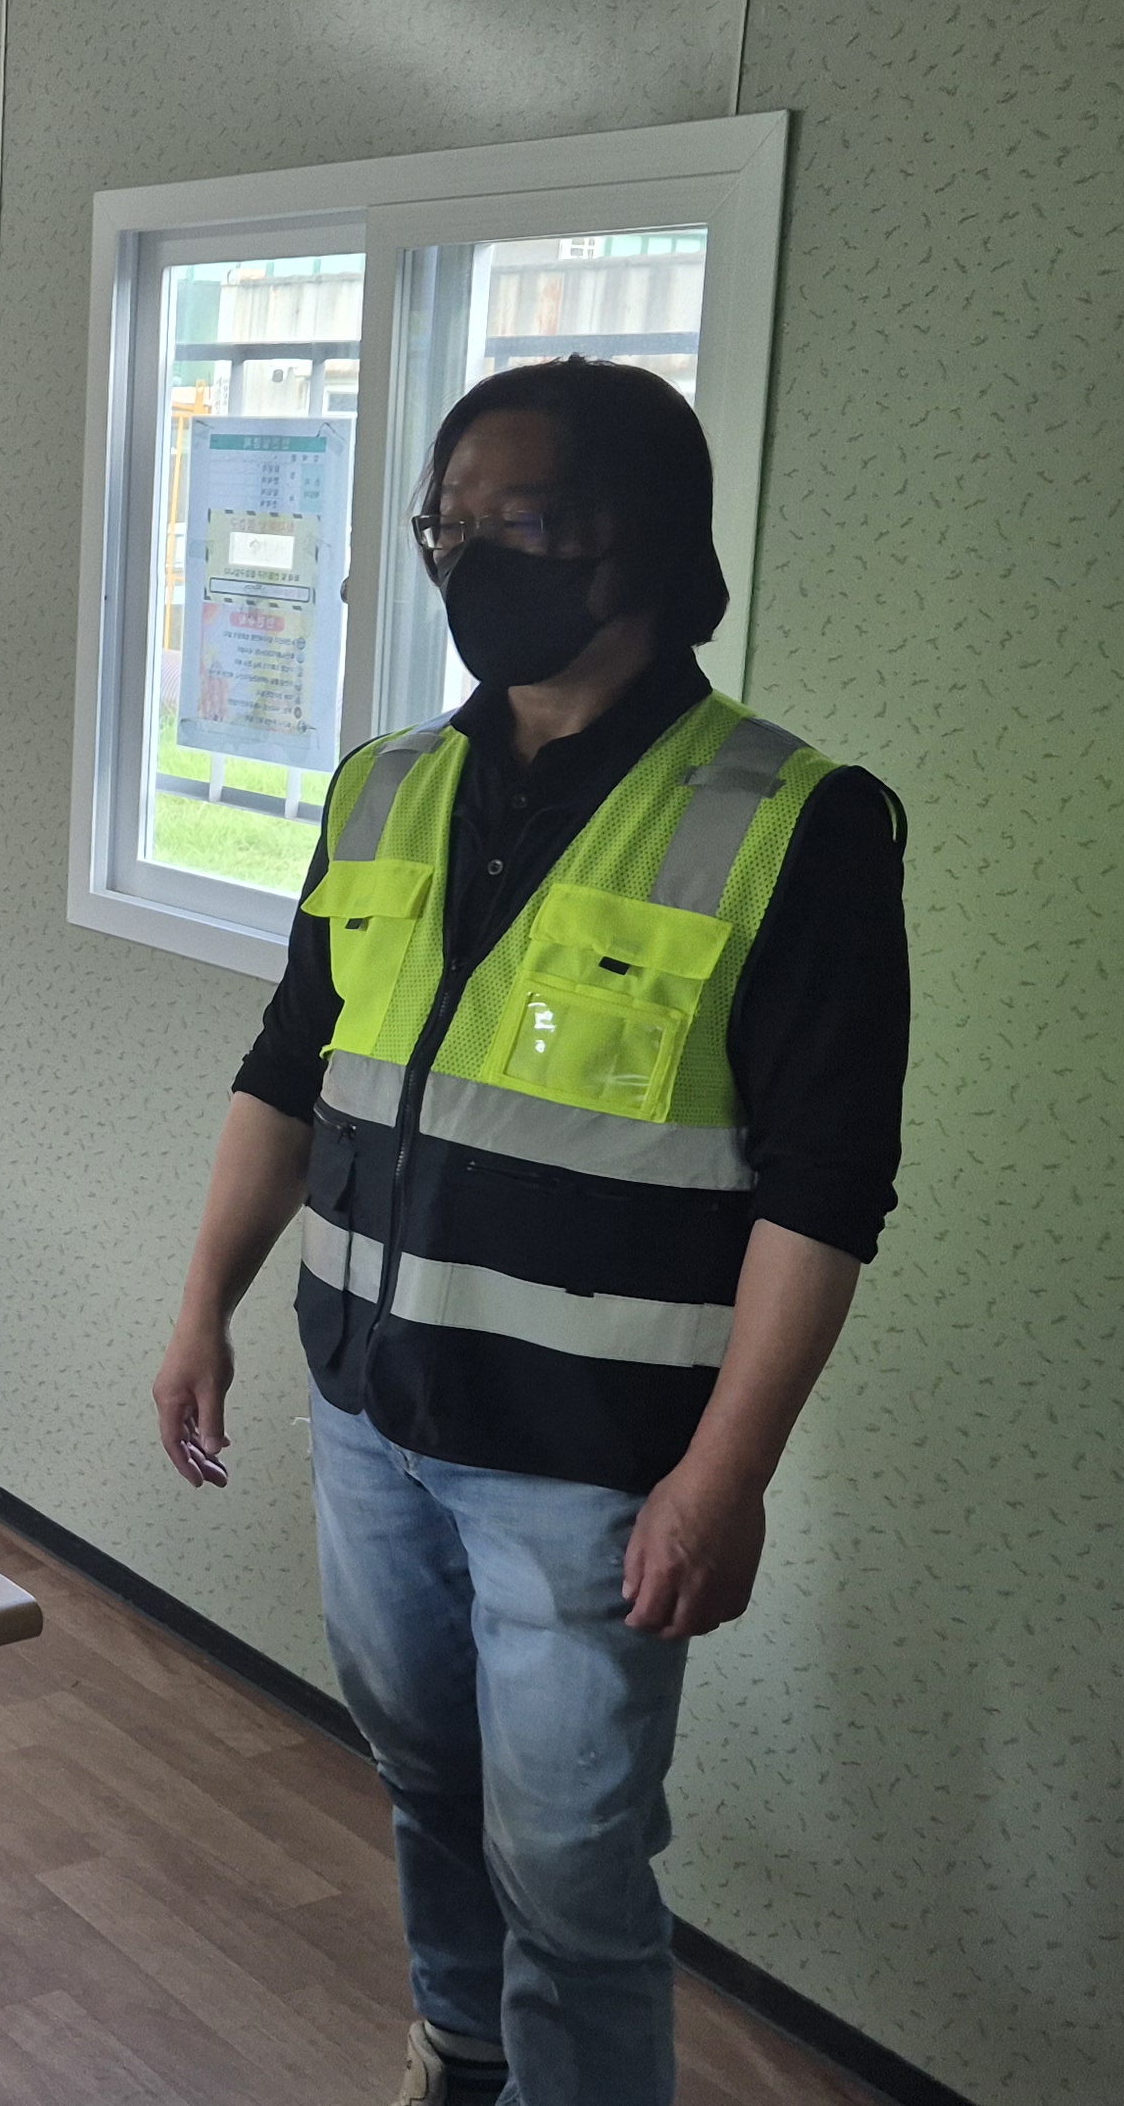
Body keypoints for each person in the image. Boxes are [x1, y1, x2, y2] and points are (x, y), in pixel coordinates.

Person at [148, 360, 909, 2106]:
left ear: (641, 539)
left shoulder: (791, 824)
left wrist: (727, 1476)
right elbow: (288, 1071)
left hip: (589, 1465)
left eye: (526, 521)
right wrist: (205, 1307)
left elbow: (823, 1195)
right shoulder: (383, 786)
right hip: (370, 1411)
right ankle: (464, 2049)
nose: (474, 556)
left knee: (570, 1866)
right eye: (449, 523)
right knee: (423, 1773)